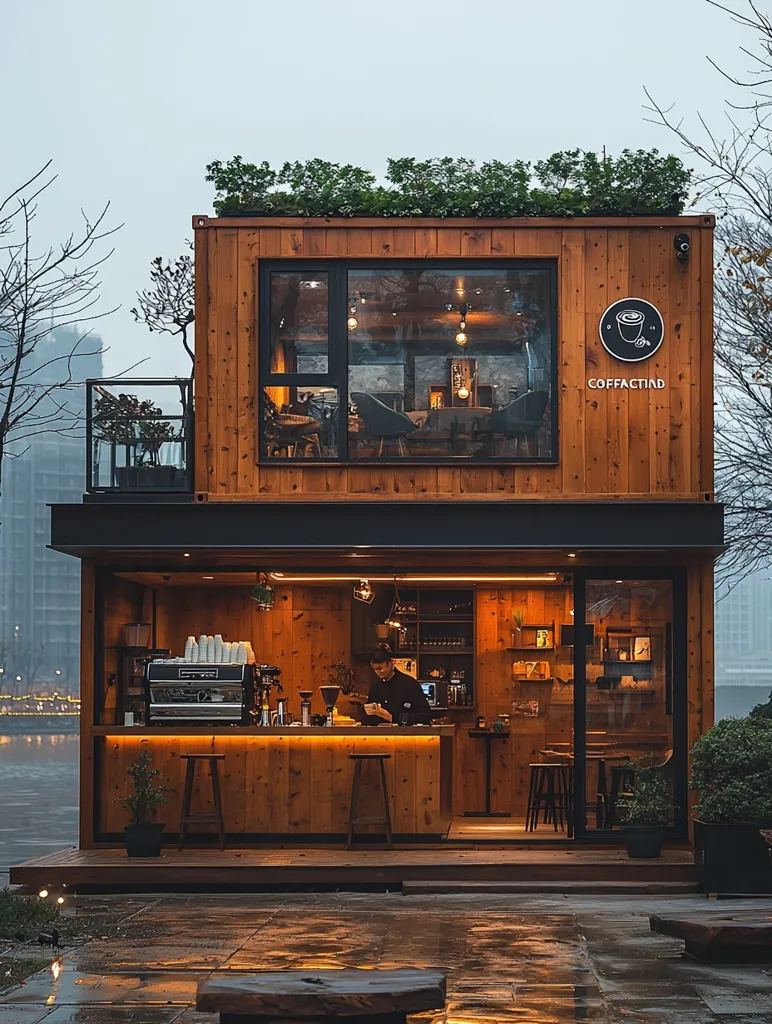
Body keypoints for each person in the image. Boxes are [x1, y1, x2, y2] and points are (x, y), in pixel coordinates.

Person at [363, 648, 432, 725]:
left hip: (406, 734)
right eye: (377, 669)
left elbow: (425, 715)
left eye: (383, 667)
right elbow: (368, 717)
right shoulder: (375, 687)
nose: (381, 671)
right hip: (380, 735)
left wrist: (393, 718)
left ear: (392, 663)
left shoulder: (410, 684)